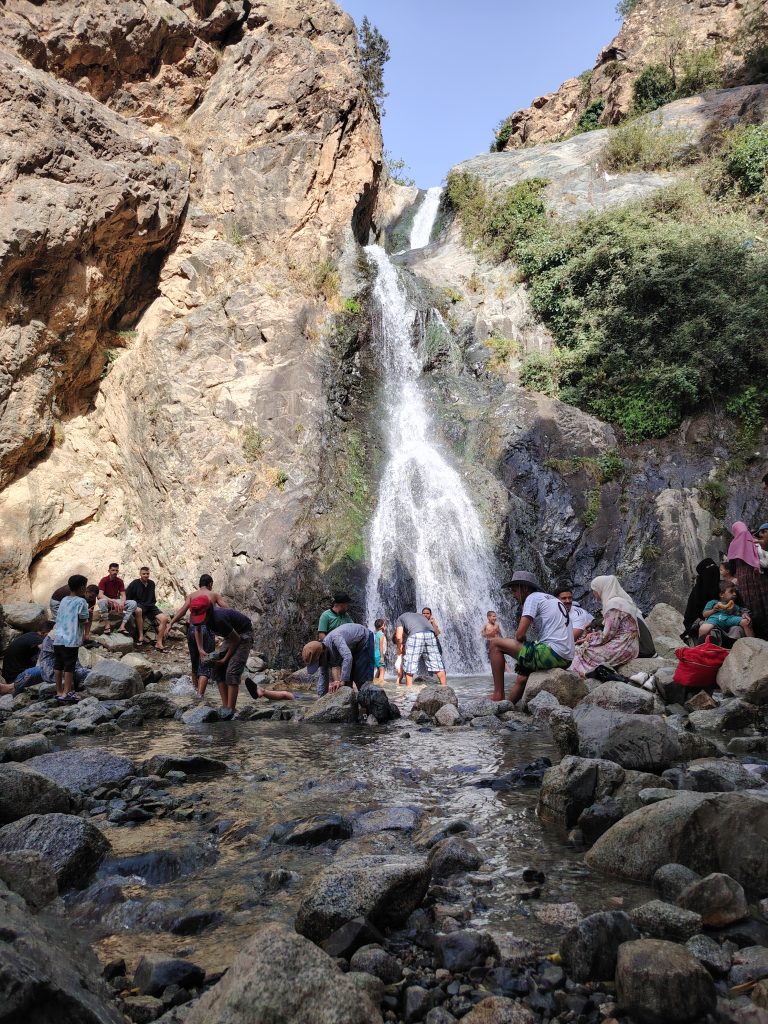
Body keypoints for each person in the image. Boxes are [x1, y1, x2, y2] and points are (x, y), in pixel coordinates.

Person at [489, 572, 574, 702]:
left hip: (553, 654)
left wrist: (520, 642)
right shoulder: (551, 598)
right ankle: (507, 706)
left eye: (514, 591)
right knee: (522, 677)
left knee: (495, 643)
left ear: (524, 588)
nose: (513, 595)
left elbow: (519, 634)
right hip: (567, 658)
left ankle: (498, 695)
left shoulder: (532, 598)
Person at [167, 575, 228, 696]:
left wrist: (171, 623)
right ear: (210, 584)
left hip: (192, 629)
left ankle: (195, 692)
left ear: (199, 584)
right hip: (206, 629)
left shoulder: (192, 595)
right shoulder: (214, 595)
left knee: (195, 662)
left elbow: (182, 610)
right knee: (205, 663)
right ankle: (199, 697)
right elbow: (227, 609)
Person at [191, 596, 253, 712]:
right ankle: (225, 707)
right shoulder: (197, 614)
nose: (200, 621)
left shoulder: (219, 619)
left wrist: (224, 659)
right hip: (231, 636)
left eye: (201, 618)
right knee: (217, 669)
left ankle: (231, 710)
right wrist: (200, 648)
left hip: (244, 634)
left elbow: (236, 639)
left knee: (232, 671)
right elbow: (197, 629)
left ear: (209, 611)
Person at [569, 576, 640, 678]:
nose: (594, 594)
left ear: (601, 588)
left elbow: (607, 636)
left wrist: (589, 640)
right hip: (630, 643)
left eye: (594, 590)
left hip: (622, 646)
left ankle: (583, 675)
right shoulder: (621, 601)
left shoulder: (613, 605)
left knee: (582, 652)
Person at [302, 623, 375, 696]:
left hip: (364, 638)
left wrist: (342, 681)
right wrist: (321, 698)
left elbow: (347, 657)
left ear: (323, 653)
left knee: (362, 681)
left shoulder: (335, 638)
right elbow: (323, 676)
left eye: (318, 663)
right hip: (352, 647)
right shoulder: (322, 657)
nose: (320, 665)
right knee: (347, 685)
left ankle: (370, 700)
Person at [50, 574, 89, 702]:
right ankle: (66, 693)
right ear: (82, 587)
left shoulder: (63, 600)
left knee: (58, 664)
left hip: (58, 638)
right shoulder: (81, 601)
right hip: (71, 639)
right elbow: (83, 619)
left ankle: (59, 691)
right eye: (85, 586)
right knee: (69, 666)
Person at [727, 521, 768, 640]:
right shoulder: (753, 541)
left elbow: (731, 568)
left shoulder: (733, 545)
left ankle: (760, 638)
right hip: (760, 580)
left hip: (744, 584)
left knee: (752, 609)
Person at [393, 610, 446, 687]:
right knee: (437, 663)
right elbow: (436, 632)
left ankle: (409, 689)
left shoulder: (400, 618)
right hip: (430, 634)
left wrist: (399, 649)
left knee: (410, 664)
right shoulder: (420, 616)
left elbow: (398, 637)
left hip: (416, 635)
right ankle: (444, 687)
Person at [126, 567, 171, 649]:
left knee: (164, 619)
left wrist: (152, 605)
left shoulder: (151, 583)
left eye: (147, 574)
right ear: (140, 574)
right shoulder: (134, 583)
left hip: (150, 606)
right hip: (139, 605)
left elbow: (152, 597)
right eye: (144, 574)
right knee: (139, 611)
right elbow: (127, 596)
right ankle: (141, 636)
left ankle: (159, 642)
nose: (146, 575)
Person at [0, 628, 48, 693]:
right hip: (15, 678)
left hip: (16, 676)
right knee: (50, 669)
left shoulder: (31, 637)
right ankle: (10, 688)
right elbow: (46, 648)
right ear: (44, 632)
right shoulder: (35, 637)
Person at [97, 562, 138, 636]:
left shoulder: (119, 581)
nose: (115, 572)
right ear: (109, 571)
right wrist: (111, 600)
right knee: (102, 601)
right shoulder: (104, 580)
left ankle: (122, 626)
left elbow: (123, 595)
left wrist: (122, 602)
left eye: (116, 570)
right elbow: (100, 595)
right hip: (107, 600)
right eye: (113, 570)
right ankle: (107, 625)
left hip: (116, 601)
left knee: (133, 603)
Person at [374, 618, 387, 682]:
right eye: (384, 624)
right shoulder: (381, 634)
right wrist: (382, 657)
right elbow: (381, 646)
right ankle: (381, 684)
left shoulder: (377, 633)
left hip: (376, 654)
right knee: (382, 670)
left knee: (379, 670)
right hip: (379, 655)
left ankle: (374, 683)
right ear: (382, 626)